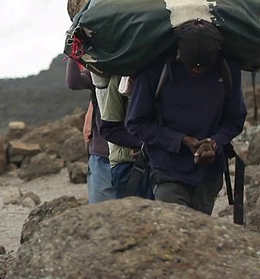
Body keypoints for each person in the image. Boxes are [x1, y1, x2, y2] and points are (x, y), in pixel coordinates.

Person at [126, 19, 247, 215]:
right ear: (178, 53)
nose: (197, 71)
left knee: (199, 234)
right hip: (167, 168)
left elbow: (235, 118)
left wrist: (214, 143)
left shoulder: (227, 69)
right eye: (191, 66)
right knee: (175, 230)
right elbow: (136, 123)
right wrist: (181, 140)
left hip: (209, 173)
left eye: (203, 67)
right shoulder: (155, 69)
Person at [65, 57, 116, 203]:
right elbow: (73, 82)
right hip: (102, 153)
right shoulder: (98, 71)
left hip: (134, 153)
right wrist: (73, 53)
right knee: (102, 212)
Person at [98, 75, 153, 199]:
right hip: (130, 165)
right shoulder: (119, 78)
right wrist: (142, 144)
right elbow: (108, 129)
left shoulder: (171, 71)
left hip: (167, 164)